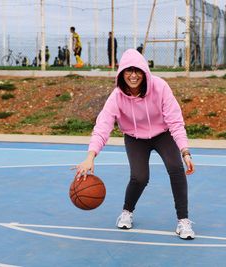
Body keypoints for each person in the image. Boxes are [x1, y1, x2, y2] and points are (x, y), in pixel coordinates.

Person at [74, 48, 196, 240]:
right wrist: (90, 156)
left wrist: (185, 150)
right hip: (135, 137)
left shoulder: (160, 87)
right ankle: (127, 211)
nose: (133, 75)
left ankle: (183, 221)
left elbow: (175, 121)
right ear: (122, 73)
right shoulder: (117, 96)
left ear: (144, 71)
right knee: (140, 177)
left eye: (137, 70)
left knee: (175, 168)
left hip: (162, 134)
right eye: (128, 71)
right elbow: (103, 126)